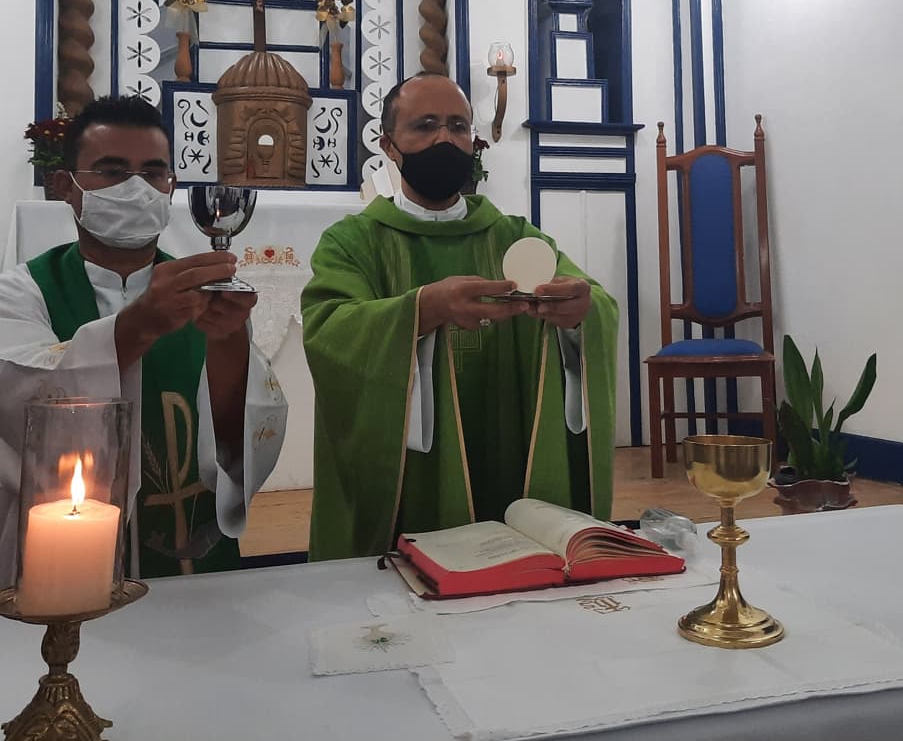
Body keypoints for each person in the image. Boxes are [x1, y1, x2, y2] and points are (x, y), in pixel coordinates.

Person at [302, 73, 618, 561]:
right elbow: (329, 331)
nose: (444, 140)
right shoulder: (354, 242)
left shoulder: (513, 236)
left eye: (457, 126)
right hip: (411, 474)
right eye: (424, 126)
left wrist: (580, 313)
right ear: (389, 144)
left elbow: (594, 303)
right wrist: (425, 308)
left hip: (507, 442)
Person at [0, 96, 286, 584]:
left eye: (153, 173)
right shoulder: (20, 292)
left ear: (170, 187)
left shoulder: (203, 296)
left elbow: (240, 438)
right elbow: (18, 400)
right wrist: (139, 325)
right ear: (65, 187)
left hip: (193, 569)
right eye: (111, 171)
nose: (136, 188)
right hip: (66, 574)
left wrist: (228, 345)